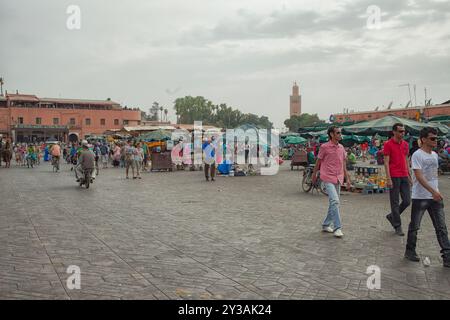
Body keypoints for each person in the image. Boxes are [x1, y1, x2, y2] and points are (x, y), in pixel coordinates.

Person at [404, 127, 450, 267]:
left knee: (441, 227)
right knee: (415, 226)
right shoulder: (418, 155)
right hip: (420, 197)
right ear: (423, 139)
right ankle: (410, 250)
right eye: (432, 138)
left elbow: (433, 175)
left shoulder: (435, 155)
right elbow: (419, 175)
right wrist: (433, 191)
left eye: (436, 138)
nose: (435, 141)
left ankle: (447, 256)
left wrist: (435, 191)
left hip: (434, 197)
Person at [312, 126, 351, 238]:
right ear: (331, 134)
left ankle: (325, 224)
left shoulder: (341, 148)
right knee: (335, 201)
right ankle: (338, 227)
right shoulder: (324, 147)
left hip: (338, 177)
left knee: (333, 203)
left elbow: (344, 164)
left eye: (340, 133)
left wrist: (347, 178)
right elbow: (318, 162)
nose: (340, 134)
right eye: (338, 133)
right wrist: (314, 175)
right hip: (327, 177)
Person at [384, 123, 412, 236]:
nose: (402, 133)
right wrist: (388, 178)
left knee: (407, 201)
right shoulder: (388, 144)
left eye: (403, 131)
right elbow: (386, 162)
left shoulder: (405, 144)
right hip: (394, 175)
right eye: (400, 131)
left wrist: (409, 175)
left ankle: (392, 216)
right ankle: (397, 226)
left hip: (404, 175)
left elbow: (406, 160)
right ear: (394, 132)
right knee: (394, 202)